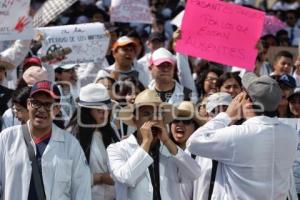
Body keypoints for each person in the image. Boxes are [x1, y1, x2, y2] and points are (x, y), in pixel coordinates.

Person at [187, 73, 298, 199]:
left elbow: (193, 142)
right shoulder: (290, 133)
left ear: (248, 104)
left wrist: (226, 116)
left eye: (244, 95)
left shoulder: (238, 134)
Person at [0, 80, 91, 200]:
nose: (41, 109)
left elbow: (82, 191)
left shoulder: (71, 145)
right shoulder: (7, 138)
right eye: (36, 103)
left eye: (48, 105)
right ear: (28, 104)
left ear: (57, 109)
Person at [107, 89, 201, 200]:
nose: (153, 119)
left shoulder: (170, 149)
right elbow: (126, 178)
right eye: (146, 114)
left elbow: (194, 173)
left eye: (158, 114)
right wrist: (146, 143)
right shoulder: (117, 149)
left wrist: (167, 141)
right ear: (135, 119)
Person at [68, 83, 119, 200]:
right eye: (99, 111)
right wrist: (100, 178)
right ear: (86, 111)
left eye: (107, 110)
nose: (104, 115)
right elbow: (67, 176)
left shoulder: (112, 129)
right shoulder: (72, 134)